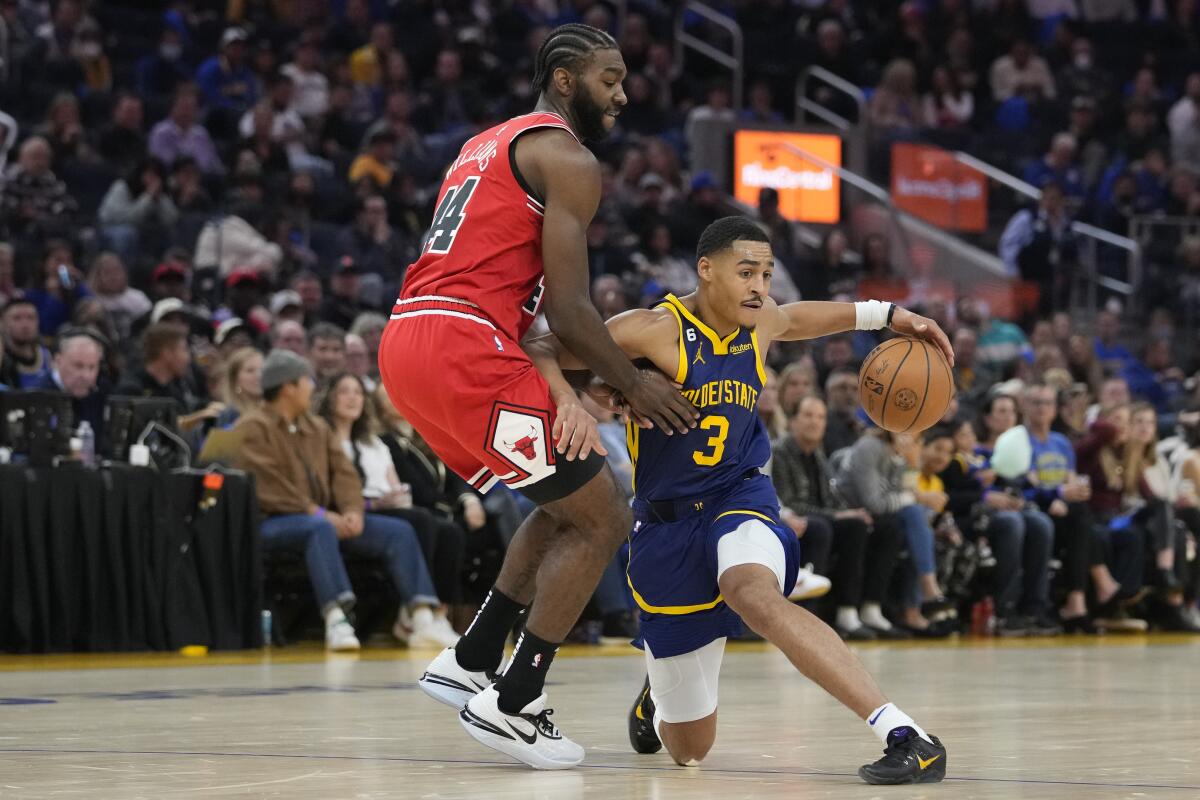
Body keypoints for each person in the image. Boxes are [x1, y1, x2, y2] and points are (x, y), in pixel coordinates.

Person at [529, 217, 953, 783]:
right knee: (688, 752)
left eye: (768, 273)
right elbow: (542, 344)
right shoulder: (653, 329)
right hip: (665, 527)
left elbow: (801, 318)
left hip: (739, 495)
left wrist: (889, 315)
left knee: (751, 592)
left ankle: (904, 734)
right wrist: (576, 398)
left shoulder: (760, 323)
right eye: (746, 272)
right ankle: (658, 686)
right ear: (706, 270)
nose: (760, 286)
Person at [379, 23, 697, 770]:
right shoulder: (569, 157)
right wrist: (633, 386)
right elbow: (570, 312)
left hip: (411, 342)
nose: (622, 95)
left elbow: (527, 316)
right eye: (609, 79)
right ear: (564, 78)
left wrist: (563, 391)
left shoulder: (484, 144)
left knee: (566, 504)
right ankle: (515, 700)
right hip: (465, 345)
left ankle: (473, 658)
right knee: (603, 518)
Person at [233, 349, 453, 651]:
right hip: (273, 521)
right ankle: (336, 619)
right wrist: (318, 512)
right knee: (318, 529)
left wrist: (353, 511)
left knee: (399, 531)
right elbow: (267, 485)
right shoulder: (251, 428)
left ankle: (421, 618)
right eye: (306, 381)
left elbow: (345, 475)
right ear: (288, 387)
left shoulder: (317, 428)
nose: (311, 387)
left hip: (324, 518)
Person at [317, 372, 462, 646]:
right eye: (344, 391)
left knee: (449, 530)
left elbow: (395, 484)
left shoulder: (374, 443)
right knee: (419, 521)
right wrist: (373, 503)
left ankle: (437, 613)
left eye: (358, 392)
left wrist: (398, 497)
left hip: (388, 508)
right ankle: (414, 613)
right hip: (353, 512)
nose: (352, 398)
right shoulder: (321, 441)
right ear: (329, 398)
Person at [771, 395, 902, 641]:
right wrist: (839, 514)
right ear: (793, 421)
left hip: (819, 519)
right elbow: (791, 502)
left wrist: (849, 512)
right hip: (788, 520)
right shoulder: (779, 452)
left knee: (877, 526)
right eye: (808, 415)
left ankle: (857, 610)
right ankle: (808, 616)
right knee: (829, 528)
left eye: (820, 417)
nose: (815, 422)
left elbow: (831, 499)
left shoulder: (818, 455)